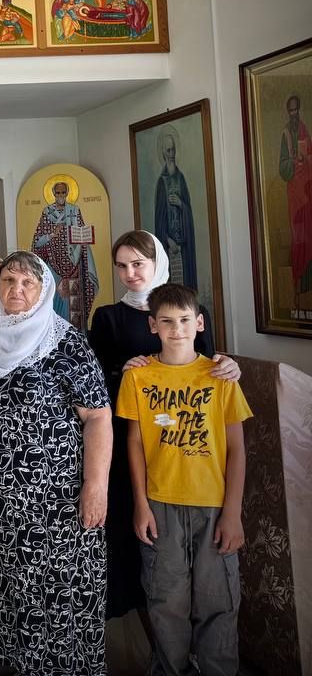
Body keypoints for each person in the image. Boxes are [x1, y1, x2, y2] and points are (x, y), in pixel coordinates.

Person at [0, 252, 111, 672]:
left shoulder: (66, 343)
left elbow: (97, 417)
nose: (15, 290)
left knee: (53, 581)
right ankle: (18, 659)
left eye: (27, 283)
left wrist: (95, 486)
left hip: (54, 496)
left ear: (43, 291)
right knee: (3, 576)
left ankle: (59, 663)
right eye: (8, 281)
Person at [87, 230, 235, 626]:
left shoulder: (187, 308)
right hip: (131, 435)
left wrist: (228, 365)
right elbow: (94, 382)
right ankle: (147, 623)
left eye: (138, 263)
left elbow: (207, 365)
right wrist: (122, 370)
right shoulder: (108, 316)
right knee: (141, 530)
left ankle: (191, 631)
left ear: (158, 263)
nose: (130, 273)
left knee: (195, 553)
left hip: (185, 442)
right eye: (122, 266)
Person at [116, 284, 251, 676]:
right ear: (152, 325)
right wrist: (141, 504)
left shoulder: (221, 376)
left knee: (219, 600)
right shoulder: (138, 377)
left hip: (213, 505)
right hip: (160, 504)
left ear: (199, 323)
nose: (177, 330)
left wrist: (233, 513)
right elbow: (135, 443)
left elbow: (237, 449)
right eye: (167, 322)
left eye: (185, 320)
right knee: (165, 600)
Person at [32, 180, 100, 330]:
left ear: (68, 193)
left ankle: (74, 334)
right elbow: (38, 241)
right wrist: (51, 235)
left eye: (63, 192)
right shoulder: (47, 212)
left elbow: (81, 232)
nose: (61, 195)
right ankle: (53, 332)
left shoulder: (74, 211)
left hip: (74, 262)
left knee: (73, 304)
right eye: (58, 193)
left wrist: (83, 237)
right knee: (54, 298)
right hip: (53, 264)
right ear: (53, 194)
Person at [154, 130, 198, 288]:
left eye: (173, 149)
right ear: (163, 153)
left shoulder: (181, 179)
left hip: (183, 247)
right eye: (168, 150)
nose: (172, 153)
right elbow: (159, 220)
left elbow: (188, 212)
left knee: (185, 288)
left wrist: (181, 204)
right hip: (169, 246)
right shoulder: (162, 183)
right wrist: (167, 240)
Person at [280, 93, 312, 304]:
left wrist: (305, 158)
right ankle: (298, 287)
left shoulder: (304, 130)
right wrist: (292, 161)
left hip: (308, 189)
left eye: (296, 109)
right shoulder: (285, 134)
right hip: (294, 193)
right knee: (298, 237)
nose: (294, 113)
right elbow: (282, 166)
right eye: (291, 110)